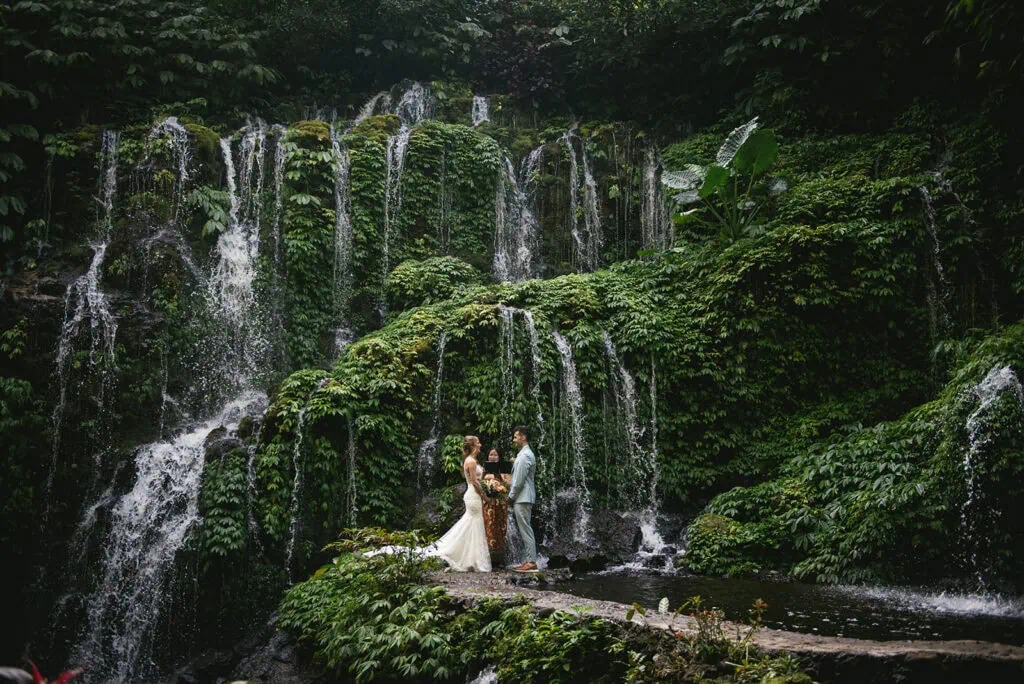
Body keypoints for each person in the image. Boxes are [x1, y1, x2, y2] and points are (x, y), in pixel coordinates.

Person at [430, 435, 491, 572]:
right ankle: (469, 558)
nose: (480, 445)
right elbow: (475, 482)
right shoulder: (471, 461)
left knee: (472, 524)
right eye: (478, 442)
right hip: (473, 495)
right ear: (473, 446)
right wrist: (485, 496)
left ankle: (471, 558)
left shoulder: (472, 460)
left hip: (473, 495)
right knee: (474, 523)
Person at [508, 425, 537, 572]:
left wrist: (510, 496)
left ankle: (531, 562)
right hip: (524, 497)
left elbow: (519, 481)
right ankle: (529, 560)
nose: (514, 440)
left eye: (515, 437)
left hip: (523, 497)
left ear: (523, 437)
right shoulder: (523, 454)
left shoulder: (525, 456)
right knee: (525, 528)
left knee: (526, 528)